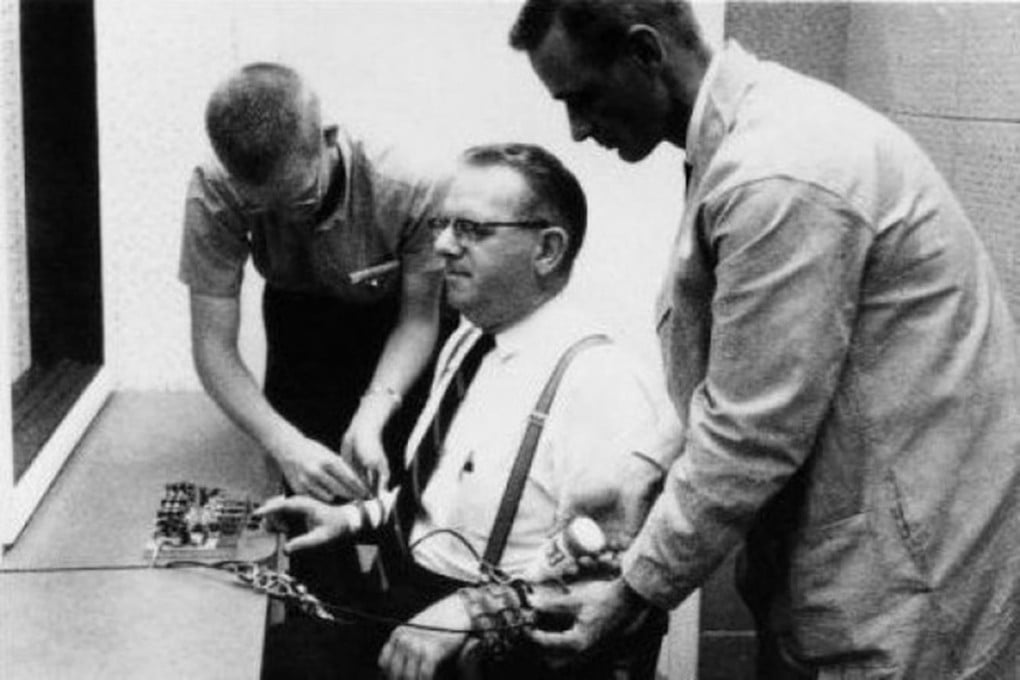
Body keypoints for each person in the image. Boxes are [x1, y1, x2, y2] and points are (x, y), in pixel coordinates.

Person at [509, 1, 1020, 677]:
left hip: (908, 578)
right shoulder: (746, 138)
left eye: (583, 98)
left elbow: (752, 428)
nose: (576, 130)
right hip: (865, 554)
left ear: (646, 53)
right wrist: (644, 471)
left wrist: (634, 591)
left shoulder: (778, 171)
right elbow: (747, 364)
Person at [256, 142, 677, 680]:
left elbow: (615, 584)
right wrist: (349, 518)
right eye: (443, 224)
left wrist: (475, 612)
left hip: (497, 651)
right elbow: (437, 502)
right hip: (400, 602)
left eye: (471, 230)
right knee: (269, 656)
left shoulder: (602, 384)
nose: (442, 245)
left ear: (547, 250)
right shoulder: (467, 340)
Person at [179, 62, 450, 601]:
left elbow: (421, 319)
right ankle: (321, 617)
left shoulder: (413, 183)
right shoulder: (214, 187)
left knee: (409, 500)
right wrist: (285, 443)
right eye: (262, 207)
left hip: (397, 326)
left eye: (299, 198)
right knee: (302, 503)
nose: (287, 219)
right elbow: (212, 347)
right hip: (300, 322)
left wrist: (374, 411)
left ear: (327, 139)